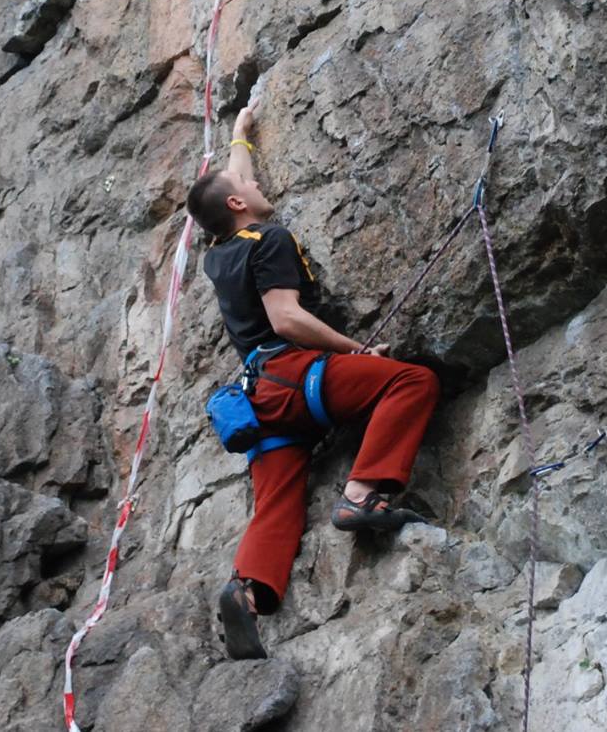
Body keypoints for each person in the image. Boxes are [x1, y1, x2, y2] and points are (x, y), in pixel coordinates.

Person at [188, 100, 441, 660]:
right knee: (410, 382)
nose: (253, 185)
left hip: (261, 399)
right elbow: (286, 318)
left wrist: (240, 136)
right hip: (294, 372)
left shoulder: (219, 253)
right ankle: (362, 494)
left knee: (276, 501)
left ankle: (247, 589)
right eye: (243, 185)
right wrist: (357, 348)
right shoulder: (269, 239)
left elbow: (235, 184)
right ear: (238, 204)